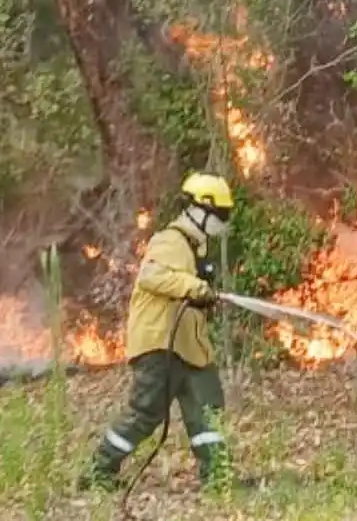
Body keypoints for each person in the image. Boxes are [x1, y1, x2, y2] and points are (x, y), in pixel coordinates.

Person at [81, 172, 235, 491]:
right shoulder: (169, 240)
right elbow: (152, 276)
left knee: (208, 408)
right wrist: (194, 286)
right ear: (199, 209)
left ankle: (217, 476)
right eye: (219, 215)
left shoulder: (196, 247)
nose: (221, 222)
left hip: (190, 347)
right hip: (160, 345)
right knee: (146, 412)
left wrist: (204, 297)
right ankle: (99, 472)